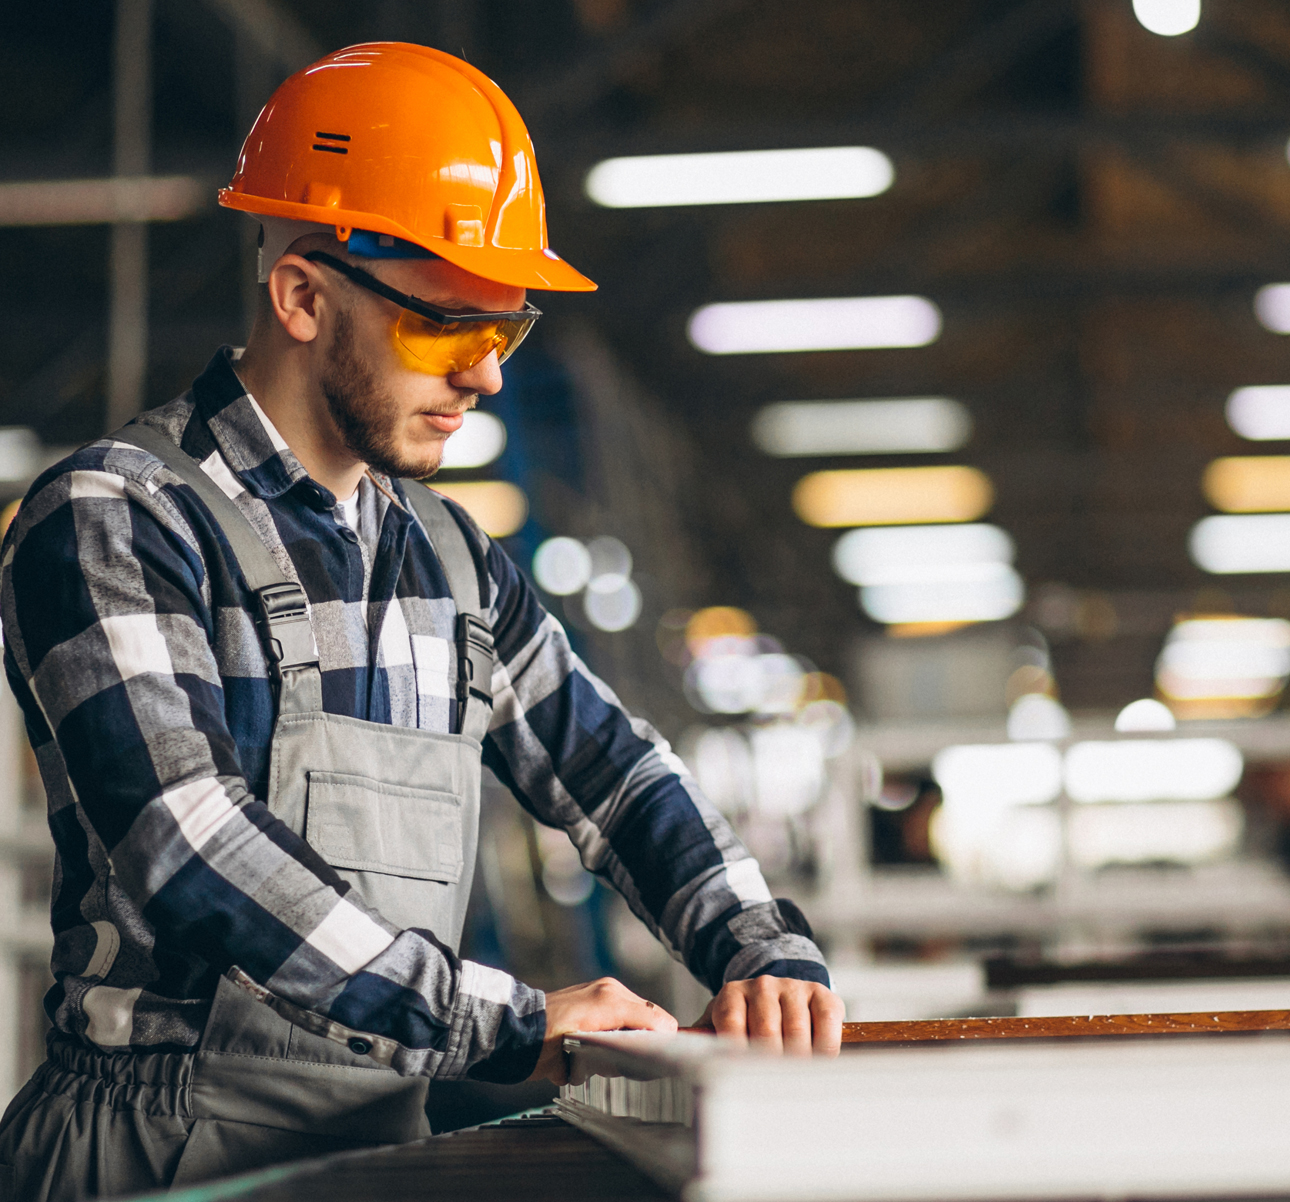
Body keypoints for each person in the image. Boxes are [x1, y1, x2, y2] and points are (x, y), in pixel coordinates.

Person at [0, 42, 842, 1202]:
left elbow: (613, 771)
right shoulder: (115, 514)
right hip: (153, 1146)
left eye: (504, 334)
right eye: (447, 330)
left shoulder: (448, 558)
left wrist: (760, 944)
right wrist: (498, 1019)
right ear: (302, 293)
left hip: (379, 1141)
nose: (485, 378)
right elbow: (186, 845)